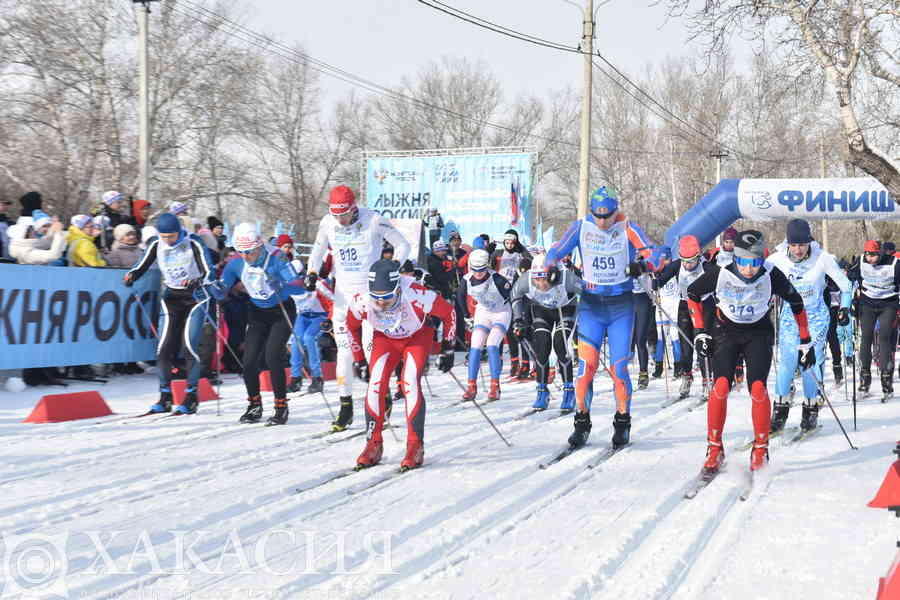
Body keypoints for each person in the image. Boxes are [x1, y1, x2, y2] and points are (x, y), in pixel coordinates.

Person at [686, 230, 812, 474]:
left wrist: (805, 341)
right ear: (736, 258)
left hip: (758, 333)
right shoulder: (721, 273)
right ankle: (714, 447)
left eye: (754, 262)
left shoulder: (770, 274)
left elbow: (796, 303)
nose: (749, 269)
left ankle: (761, 448)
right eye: (743, 262)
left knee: (757, 389)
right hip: (725, 332)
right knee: (721, 386)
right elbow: (692, 295)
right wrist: (700, 331)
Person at [546, 185, 658, 450]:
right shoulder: (581, 227)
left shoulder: (627, 227)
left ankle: (622, 422)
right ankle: (581, 423)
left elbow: (655, 253)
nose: (602, 221)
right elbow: (555, 252)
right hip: (592, 307)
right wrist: (550, 268)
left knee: (619, 370)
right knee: (585, 370)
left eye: (607, 215)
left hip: (621, 306)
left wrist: (642, 265)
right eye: (597, 214)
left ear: (615, 211)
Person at [305, 185, 411, 431]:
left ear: (354, 209)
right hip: (343, 299)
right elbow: (318, 249)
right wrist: (312, 272)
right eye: (336, 215)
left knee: (371, 351)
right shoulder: (328, 223)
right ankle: (345, 407)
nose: (340, 220)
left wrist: (392, 267)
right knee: (344, 353)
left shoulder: (373, 219)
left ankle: (381, 399)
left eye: (344, 215)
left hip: (371, 299)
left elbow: (402, 245)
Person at [349, 259, 456, 471]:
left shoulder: (416, 294)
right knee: (375, 384)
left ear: (397, 289)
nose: (381, 304)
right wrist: (359, 359)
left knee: (409, 383)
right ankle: (373, 443)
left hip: (417, 337)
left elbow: (449, 313)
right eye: (376, 299)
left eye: (387, 298)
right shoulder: (361, 300)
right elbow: (351, 326)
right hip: (385, 339)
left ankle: (415, 445)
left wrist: (448, 348)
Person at [210, 223, 304, 425]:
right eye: (241, 252)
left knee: (272, 356)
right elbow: (224, 286)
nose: (245, 256)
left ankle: (281, 407)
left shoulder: (277, 257)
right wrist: (217, 289)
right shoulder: (236, 262)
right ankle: (254, 406)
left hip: (281, 311)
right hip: (257, 313)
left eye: (250, 252)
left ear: (259, 246)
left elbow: (299, 288)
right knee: (250, 360)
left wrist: (283, 285)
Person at [766, 219, 851, 433]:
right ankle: (780, 409)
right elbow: (760, 280)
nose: (797, 250)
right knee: (787, 362)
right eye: (793, 245)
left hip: (816, 317)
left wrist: (844, 308)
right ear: (788, 244)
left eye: (802, 245)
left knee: (809, 364)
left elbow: (846, 285)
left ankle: (811, 408)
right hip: (790, 317)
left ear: (809, 242)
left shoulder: (823, 258)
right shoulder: (776, 259)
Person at [125, 213, 214, 414]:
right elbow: (141, 265)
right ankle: (165, 396)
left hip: (196, 299)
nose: (168, 240)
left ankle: (191, 396)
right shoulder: (156, 244)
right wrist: (132, 275)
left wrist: (197, 281)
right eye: (164, 236)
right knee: (163, 348)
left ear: (179, 231)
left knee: (189, 346)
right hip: (171, 299)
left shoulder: (193, 242)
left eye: (171, 236)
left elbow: (210, 271)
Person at [511, 253, 581, 410]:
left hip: (565, 308)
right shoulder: (526, 279)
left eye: (544, 279)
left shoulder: (565, 278)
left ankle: (569, 391)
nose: (541, 284)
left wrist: (586, 312)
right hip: (542, 309)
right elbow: (515, 297)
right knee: (541, 346)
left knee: (560, 344)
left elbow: (586, 292)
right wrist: (518, 320)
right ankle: (542, 391)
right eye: (537, 279)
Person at [654, 235, 715, 400]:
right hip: (685, 305)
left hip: (704, 305)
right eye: (684, 261)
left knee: (702, 343)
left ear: (698, 256)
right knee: (685, 345)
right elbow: (662, 278)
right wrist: (655, 283)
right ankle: (686, 377)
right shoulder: (677, 266)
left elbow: (719, 280)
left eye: (691, 261)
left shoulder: (706, 266)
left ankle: (707, 379)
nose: (687, 265)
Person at [456, 249, 513, 401]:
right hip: (483, 312)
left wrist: (519, 318)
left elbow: (514, 296)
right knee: (475, 346)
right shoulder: (466, 279)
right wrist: (466, 316)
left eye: (482, 270)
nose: (478, 273)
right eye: (475, 270)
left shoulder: (499, 280)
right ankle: (471, 386)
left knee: (492, 344)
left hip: (501, 312)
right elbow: (460, 297)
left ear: (487, 266)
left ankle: (495, 386)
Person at [847, 240, 900, 397]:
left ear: (881, 253)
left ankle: (886, 378)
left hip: (888, 304)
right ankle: (865, 378)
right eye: (869, 255)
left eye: (875, 255)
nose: (871, 259)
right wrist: (853, 296)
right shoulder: (861, 260)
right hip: (867, 304)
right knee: (866, 338)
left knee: (884, 337)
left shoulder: (894, 263)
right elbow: (850, 276)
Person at [287, 259, 333, 395]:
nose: (295, 282)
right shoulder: (288, 285)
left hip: (320, 316)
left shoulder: (318, 284)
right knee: (296, 341)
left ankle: (317, 378)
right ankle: (296, 379)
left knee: (309, 338)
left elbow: (333, 302)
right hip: (303, 316)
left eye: (298, 278)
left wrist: (330, 319)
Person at [493, 229, 533, 380]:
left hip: (518, 293)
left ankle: (526, 363)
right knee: (509, 330)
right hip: (501, 294)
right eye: (507, 242)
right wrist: (489, 251)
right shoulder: (498, 254)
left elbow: (530, 259)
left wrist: (521, 247)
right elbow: (489, 267)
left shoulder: (520, 253)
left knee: (521, 328)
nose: (509, 245)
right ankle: (515, 361)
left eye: (512, 242)